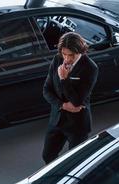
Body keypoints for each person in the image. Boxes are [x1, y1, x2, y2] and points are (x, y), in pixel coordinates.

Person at [42, 32, 98, 164]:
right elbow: (46, 90)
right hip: (56, 119)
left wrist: (64, 79)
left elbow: (77, 101)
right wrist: (62, 105)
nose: (66, 59)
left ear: (80, 51)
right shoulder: (57, 60)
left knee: (75, 161)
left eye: (70, 55)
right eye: (64, 54)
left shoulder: (90, 68)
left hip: (77, 124)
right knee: (47, 156)